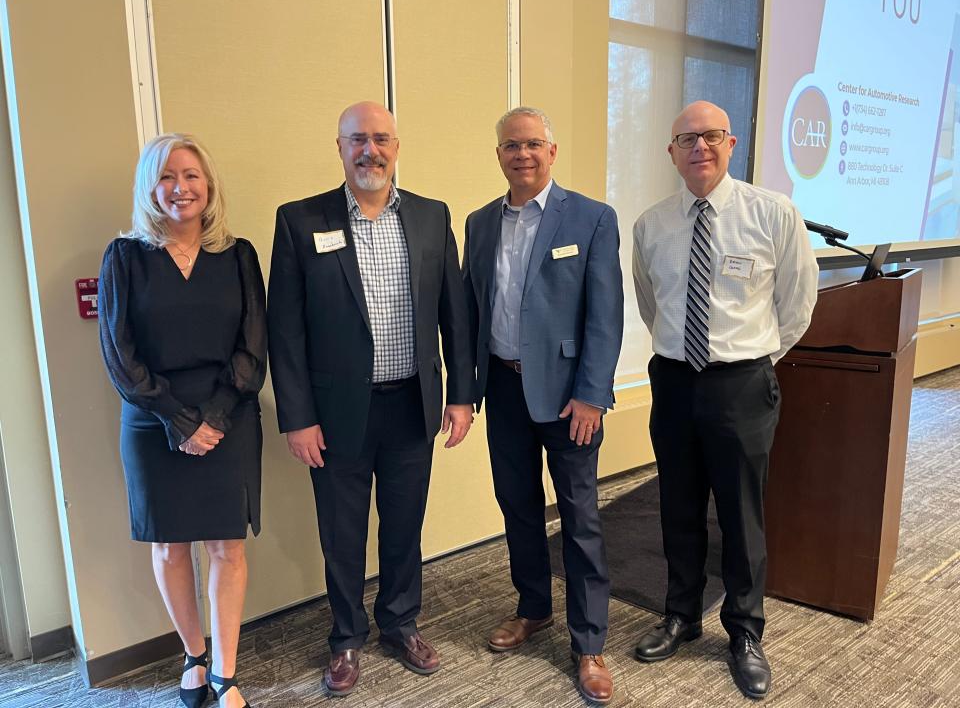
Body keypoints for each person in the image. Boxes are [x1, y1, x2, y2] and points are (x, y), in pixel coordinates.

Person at [266, 101, 474, 696]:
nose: (370, 150)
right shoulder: (300, 220)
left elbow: (453, 317)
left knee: (405, 525)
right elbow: (286, 330)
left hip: (412, 403)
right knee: (342, 531)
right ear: (339, 148)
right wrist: (298, 417)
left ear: (397, 147)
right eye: (357, 139)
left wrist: (460, 396)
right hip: (335, 415)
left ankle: (399, 623)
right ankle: (346, 638)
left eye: (381, 138)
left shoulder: (433, 218)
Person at [631, 100, 818, 699]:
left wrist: (754, 359)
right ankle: (681, 616)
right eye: (685, 139)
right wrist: (683, 358)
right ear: (671, 152)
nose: (698, 148)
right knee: (678, 505)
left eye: (710, 136)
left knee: (742, 512)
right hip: (674, 380)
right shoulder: (652, 224)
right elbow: (651, 302)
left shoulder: (773, 214)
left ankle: (744, 630)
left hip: (742, 381)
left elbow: (797, 304)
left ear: (730, 143)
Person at [462, 106, 624, 704]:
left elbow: (606, 317)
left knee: (580, 516)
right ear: (498, 155)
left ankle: (589, 643)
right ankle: (534, 607)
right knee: (517, 504)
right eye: (510, 145)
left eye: (532, 144)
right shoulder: (480, 224)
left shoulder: (591, 218)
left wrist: (591, 395)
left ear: (551, 152)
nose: (521, 154)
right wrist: (466, 390)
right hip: (503, 388)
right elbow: (473, 313)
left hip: (567, 396)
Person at [98, 133, 267, 708]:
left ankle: (225, 670)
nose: (181, 188)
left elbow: (252, 348)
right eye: (168, 176)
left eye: (192, 175)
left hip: (228, 415)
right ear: (151, 186)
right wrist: (179, 421)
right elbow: (121, 357)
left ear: (208, 184)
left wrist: (213, 418)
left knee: (227, 548)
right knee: (171, 548)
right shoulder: (125, 257)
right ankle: (192, 655)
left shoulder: (237, 254)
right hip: (153, 421)